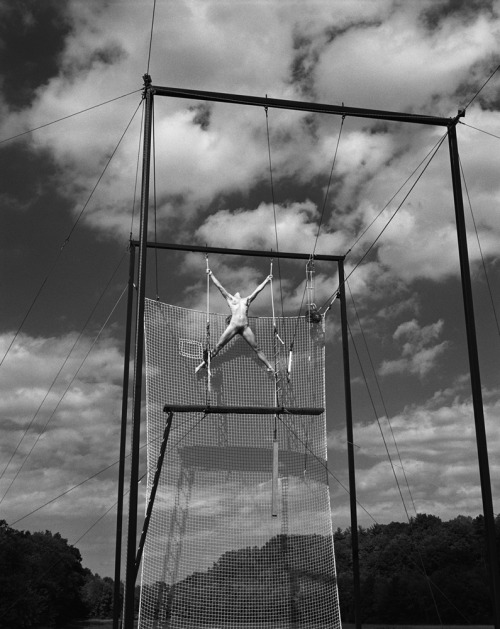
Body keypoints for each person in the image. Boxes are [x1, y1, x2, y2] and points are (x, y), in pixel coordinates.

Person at [196, 269, 275, 373]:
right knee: (218, 346)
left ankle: (269, 366)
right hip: (233, 326)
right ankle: (202, 364)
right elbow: (219, 286)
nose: (238, 292)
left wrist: (266, 280)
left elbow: (257, 290)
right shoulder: (230, 299)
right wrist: (211, 275)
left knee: (257, 348)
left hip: (245, 327)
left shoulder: (247, 300)